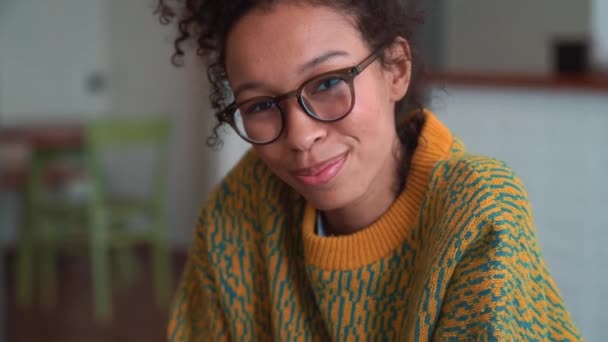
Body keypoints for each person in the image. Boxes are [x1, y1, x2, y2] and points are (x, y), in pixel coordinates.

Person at [156, 0, 582, 340]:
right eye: (261, 106)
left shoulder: (477, 213)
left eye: (327, 83)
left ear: (395, 69)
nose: (301, 137)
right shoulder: (242, 206)